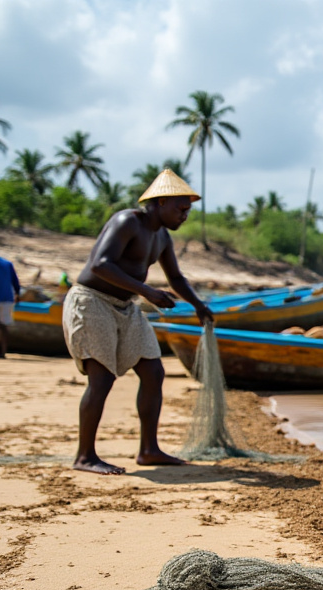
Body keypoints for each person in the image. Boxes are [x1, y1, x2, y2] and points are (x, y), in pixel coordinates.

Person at [64, 169, 214, 475]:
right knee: (102, 378)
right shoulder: (127, 221)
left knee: (153, 370)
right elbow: (100, 265)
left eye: (187, 210)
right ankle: (85, 456)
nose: (184, 215)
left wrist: (199, 306)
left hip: (125, 305)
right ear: (160, 203)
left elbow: (176, 277)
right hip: (92, 301)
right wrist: (147, 291)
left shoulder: (162, 237)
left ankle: (149, 450)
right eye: (180, 208)